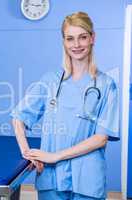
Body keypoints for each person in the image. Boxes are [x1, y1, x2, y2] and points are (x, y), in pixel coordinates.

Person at [11, 12, 119, 200]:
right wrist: (27, 153)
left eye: (82, 37)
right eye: (70, 39)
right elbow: (18, 117)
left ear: (92, 38)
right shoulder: (50, 81)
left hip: (87, 179)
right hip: (51, 178)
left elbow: (101, 138)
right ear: (64, 42)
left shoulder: (106, 84)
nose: (76, 45)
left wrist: (55, 156)